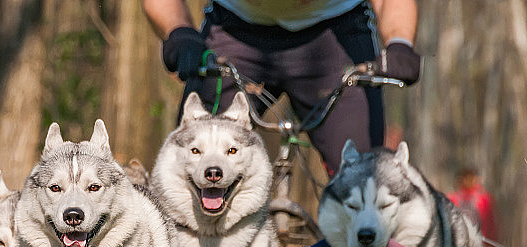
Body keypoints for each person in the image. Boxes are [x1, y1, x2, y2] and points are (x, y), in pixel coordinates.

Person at [142, 0, 421, 175]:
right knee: (191, 166)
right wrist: (180, 32)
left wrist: (400, 44)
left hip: (336, 33)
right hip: (235, 30)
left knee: (364, 180)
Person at [447, 167, 498, 243]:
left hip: (481, 242)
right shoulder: (452, 199)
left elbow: (490, 224)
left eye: (471, 178)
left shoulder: (484, 199)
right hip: (457, 242)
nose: (468, 181)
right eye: (465, 178)